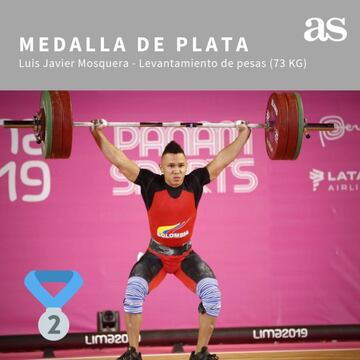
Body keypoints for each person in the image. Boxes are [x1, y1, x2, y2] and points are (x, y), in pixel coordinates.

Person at [90, 119, 251, 360]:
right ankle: (133, 352)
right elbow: (119, 161)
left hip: (186, 256)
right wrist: (97, 133)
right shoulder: (150, 183)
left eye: (181, 165)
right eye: (171, 166)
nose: (177, 170)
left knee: (212, 294)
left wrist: (244, 134)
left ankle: (201, 354)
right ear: (161, 167)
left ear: (186, 166)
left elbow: (223, 160)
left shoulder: (194, 182)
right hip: (156, 256)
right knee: (133, 291)